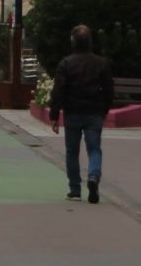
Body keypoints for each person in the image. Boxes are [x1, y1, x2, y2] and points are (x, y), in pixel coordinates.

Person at [48, 23, 115, 204]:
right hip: (94, 112)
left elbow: (58, 90)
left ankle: (75, 189)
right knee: (94, 149)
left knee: (72, 151)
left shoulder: (66, 64)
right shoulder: (101, 63)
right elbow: (109, 90)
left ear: (73, 41)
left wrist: (54, 115)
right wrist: (105, 109)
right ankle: (93, 176)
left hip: (73, 112)